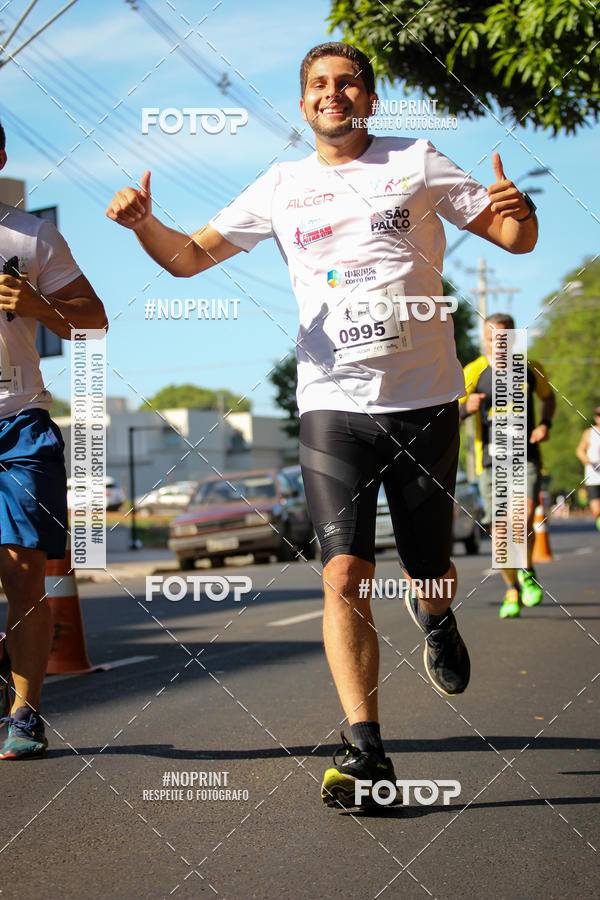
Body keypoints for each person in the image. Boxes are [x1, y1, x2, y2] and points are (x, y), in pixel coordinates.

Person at [106, 42, 538, 808]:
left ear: (369, 100)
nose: (331, 95)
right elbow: (187, 260)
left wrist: (520, 211)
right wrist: (145, 225)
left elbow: (514, 240)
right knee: (342, 573)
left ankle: (435, 617)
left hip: (426, 402)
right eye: (317, 85)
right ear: (303, 102)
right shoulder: (281, 186)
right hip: (332, 405)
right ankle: (365, 746)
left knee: (426, 567)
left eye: (346, 84)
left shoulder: (420, 160)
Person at [0, 121, 107, 759]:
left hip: (18, 422)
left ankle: (25, 712)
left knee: (23, 572)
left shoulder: (29, 233)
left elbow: (90, 319)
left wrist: (37, 304)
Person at [460, 313, 555, 617]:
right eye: (492, 338)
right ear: (484, 339)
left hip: (525, 456)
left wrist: (545, 425)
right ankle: (512, 589)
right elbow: (448, 411)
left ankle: (526, 570)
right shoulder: (474, 371)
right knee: (502, 532)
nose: (498, 344)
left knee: (523, 519)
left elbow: (548, 398)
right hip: (491, 463)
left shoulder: (530, 368)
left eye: (504, 338)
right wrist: (465, 408)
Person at [575, 407, 600, 531]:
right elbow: (580, 450)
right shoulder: (589, 432)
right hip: (594, 477)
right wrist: (586, 460)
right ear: (596, 417)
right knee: (596, 511)